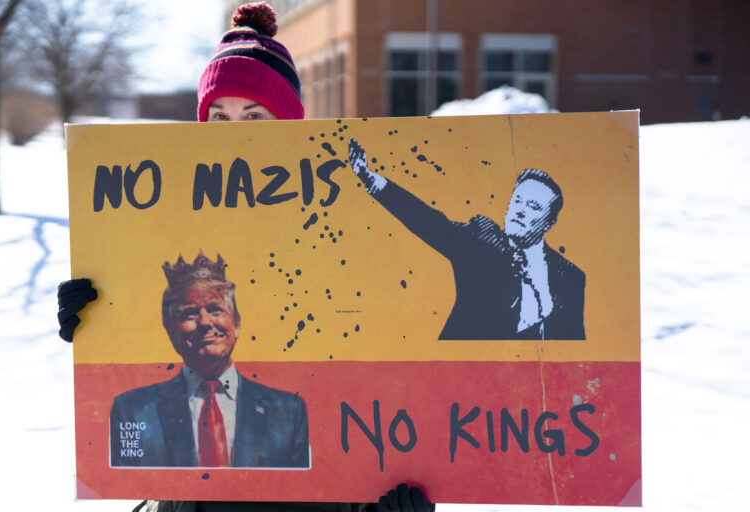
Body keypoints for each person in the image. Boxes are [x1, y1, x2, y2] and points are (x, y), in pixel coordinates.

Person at [58, 3, 433, 510]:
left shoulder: (340, 231)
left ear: (289, 124)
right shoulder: (164, 230)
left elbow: (373, 387)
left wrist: (385, 500)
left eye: (254, 116)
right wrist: (97, 322)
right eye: (219, 117)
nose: (235, 133)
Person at [347, 138, 586, 341]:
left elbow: (574, 343)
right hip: (463, 366)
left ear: (549, 222)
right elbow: (429, 222)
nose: (520, 211)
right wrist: (372, 180)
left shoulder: (570, 277)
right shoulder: (479, 241)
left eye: (533, 206)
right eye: (517, 201)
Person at [111, 252, 309, 469]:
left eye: (216, 310)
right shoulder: (133, 410)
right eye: (189, 314)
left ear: (236, 323)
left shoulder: (288, 412)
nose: (205, 322)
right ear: (171, 331)